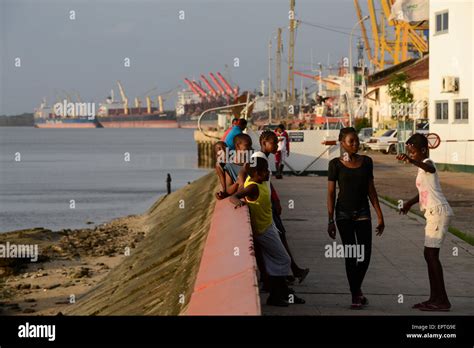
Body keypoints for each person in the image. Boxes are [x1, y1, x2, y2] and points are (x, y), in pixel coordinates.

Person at [230, 157, 304, 307]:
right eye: (265, 171)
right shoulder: (252, 187)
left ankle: (283, 293)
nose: (269, 173)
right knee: (284, 259)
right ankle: (275, 295)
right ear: (257, 173)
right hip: (263, 231)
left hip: (269, 225)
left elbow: (245, 168)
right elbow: (234, 196)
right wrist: (240, 203)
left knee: (274, 261)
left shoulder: (261, 181)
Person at [327, 127, 385, 309]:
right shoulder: (335, 164)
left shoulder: (367, 162)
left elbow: (371, 190)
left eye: (357, 141)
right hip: (343, 214)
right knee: (351, 255)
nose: (355, 144)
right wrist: (330, 220)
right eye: (351, 141)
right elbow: (330, 193)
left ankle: (356, 289)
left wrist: (380, 216)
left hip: (363, 213)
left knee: (365, 254)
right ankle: (355, 295)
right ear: (342, 144)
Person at [397, 133, 453, 312]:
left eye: (413, 152)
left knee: (431, 256)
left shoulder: (428, 163)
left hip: (438, 212)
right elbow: (424, 192)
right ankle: (434, 298)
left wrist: (411, 161)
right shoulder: (421, 167)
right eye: (409, 153)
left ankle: (442, 301)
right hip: (432, 213)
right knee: (429, 256)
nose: (411, 155)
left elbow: (431, 169)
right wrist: (408, 203)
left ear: (422, 150)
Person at [252, 130, 310, 284]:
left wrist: (275, 199)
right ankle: (285, 274)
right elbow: (253, 181)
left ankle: (287, 273)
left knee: (279, 237)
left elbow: (267, 182)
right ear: (264, 143)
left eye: (277, 143)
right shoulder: (258, 158)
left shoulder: (263, 157)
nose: (277, 146)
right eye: (274, 143)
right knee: (279, 238)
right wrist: (274, 201)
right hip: (265, 209)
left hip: (268, 206)